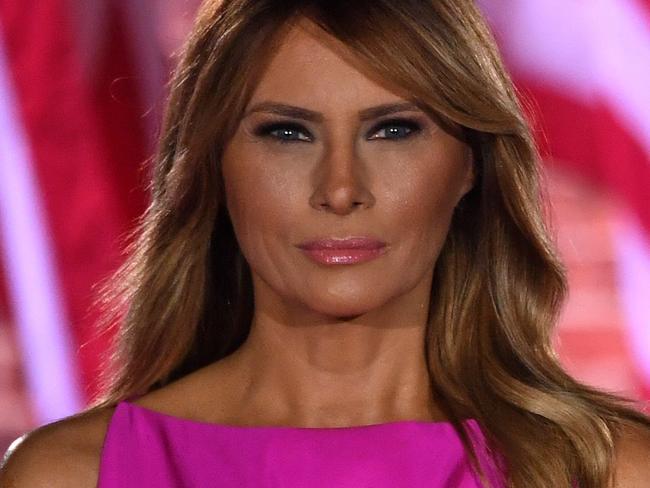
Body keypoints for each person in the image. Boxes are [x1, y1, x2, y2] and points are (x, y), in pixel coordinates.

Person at [2, 0, 650, 486]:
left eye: (393, 131)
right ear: (214, 169)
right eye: (287, 134)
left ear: (470, 166)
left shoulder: (610, 471)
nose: (340, 189)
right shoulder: (69, 475)